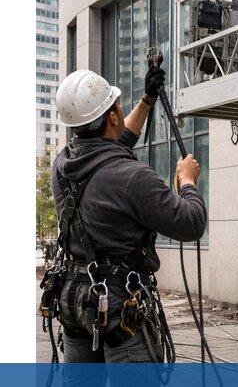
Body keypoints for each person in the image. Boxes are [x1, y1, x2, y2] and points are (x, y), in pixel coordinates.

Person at [49, 65, 207, 364]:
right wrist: (187, 181)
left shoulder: (62, 166)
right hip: (118, 303)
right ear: (111, 116)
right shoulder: (132, 177)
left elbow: (112, 146)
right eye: (116, 106)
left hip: (74, 299)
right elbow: (191, 224)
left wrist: (147, 100)